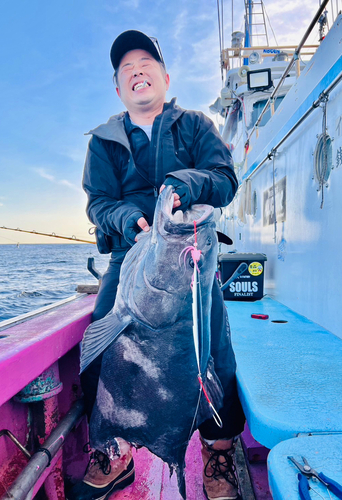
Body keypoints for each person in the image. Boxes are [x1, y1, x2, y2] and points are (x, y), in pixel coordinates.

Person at [69, 30, 245, 500]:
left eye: (145, 63)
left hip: (192, 251)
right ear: (118, 88)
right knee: (99, 342)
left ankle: (218, 448)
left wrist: (184, 185)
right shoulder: (103, 142)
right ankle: (113, 447)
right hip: (131, 254)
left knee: (213, 348)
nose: (136, 71)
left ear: (165, 78)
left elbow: (225, 180)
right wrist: (129, 219)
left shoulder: (194, 125)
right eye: (126, 68)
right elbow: (99, 204)